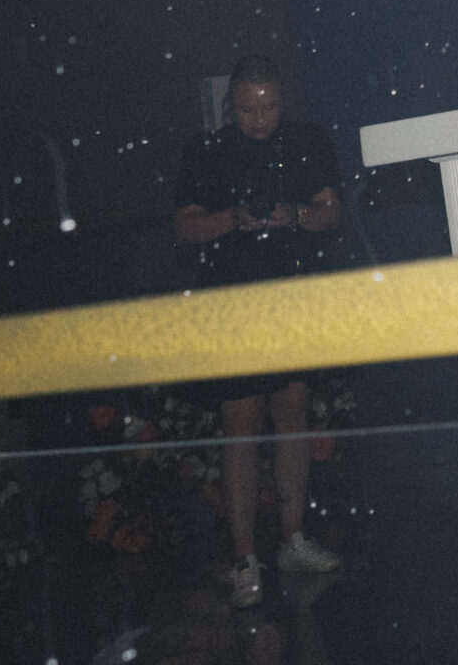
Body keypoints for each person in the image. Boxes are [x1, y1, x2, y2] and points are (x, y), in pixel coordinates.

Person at [171, 54, 344, 610]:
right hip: (233, 298)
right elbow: (184, 226)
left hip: (293, 292)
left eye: (268, 106)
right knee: (240, 424)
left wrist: (293, 215)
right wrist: (234, 219)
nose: (260, 118)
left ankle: (292, 540)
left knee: (293, 409)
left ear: (281, 100)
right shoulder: (205, 150)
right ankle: (245, 557)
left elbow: (332, 213)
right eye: (248, 109)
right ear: (231, 105)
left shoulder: (309, 142)